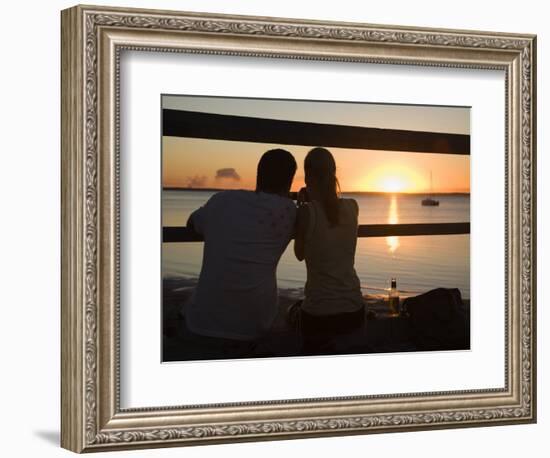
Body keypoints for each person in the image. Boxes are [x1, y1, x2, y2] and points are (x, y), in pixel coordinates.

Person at [180, 148, 297, 360]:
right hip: (255, 325)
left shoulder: (221, 201)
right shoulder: (290, 211)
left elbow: (191, 223)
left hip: (201, 322)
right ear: (289, 183)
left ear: (258, 175)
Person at [290, 147, 365, 354]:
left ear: (307, 176)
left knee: (293, 315)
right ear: (334, 173)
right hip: (354, 310)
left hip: (319, 315)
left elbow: (299, 254)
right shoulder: (353, 206)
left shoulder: (307, 212)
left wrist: (302, 208)